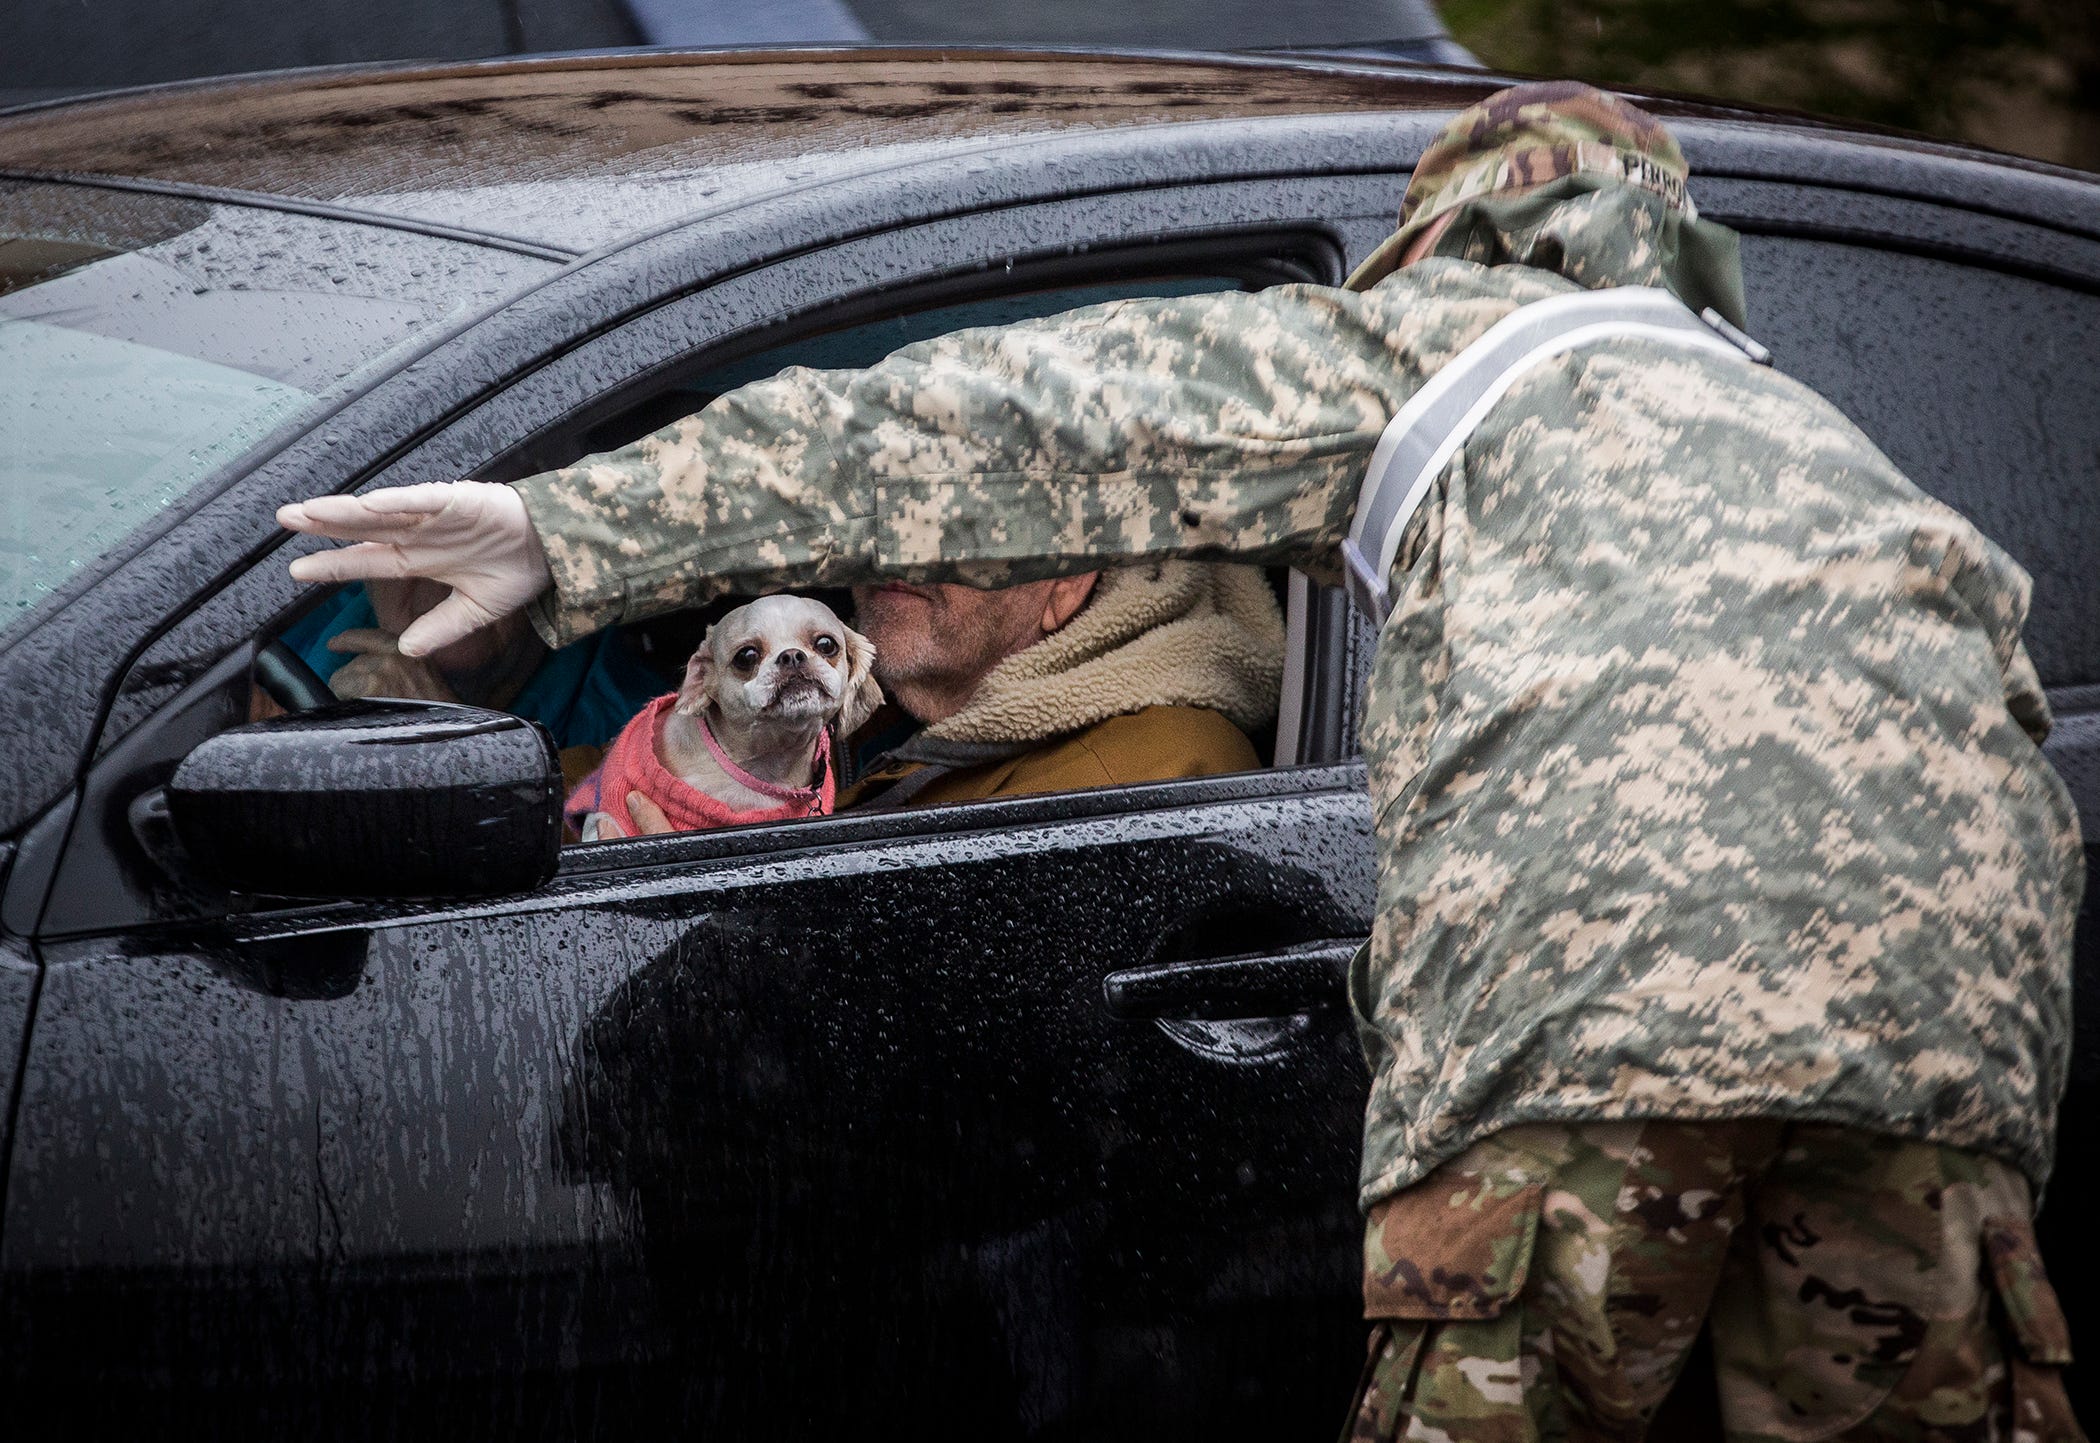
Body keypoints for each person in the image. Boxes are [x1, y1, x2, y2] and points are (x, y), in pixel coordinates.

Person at [276, 82, 2085, 1441]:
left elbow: (986, 429)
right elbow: (2013, 751)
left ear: (1436, 247)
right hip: (1943, 1032)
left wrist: (572, 523)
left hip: (1597, 1011)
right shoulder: (1830, 440)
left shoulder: (1428, 359)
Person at [837, 564, 1282, 809]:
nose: (895, 545)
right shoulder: (820, 681)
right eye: (883, 496)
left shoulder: (1153, 786)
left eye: (957, 516)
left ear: (1067, 580)